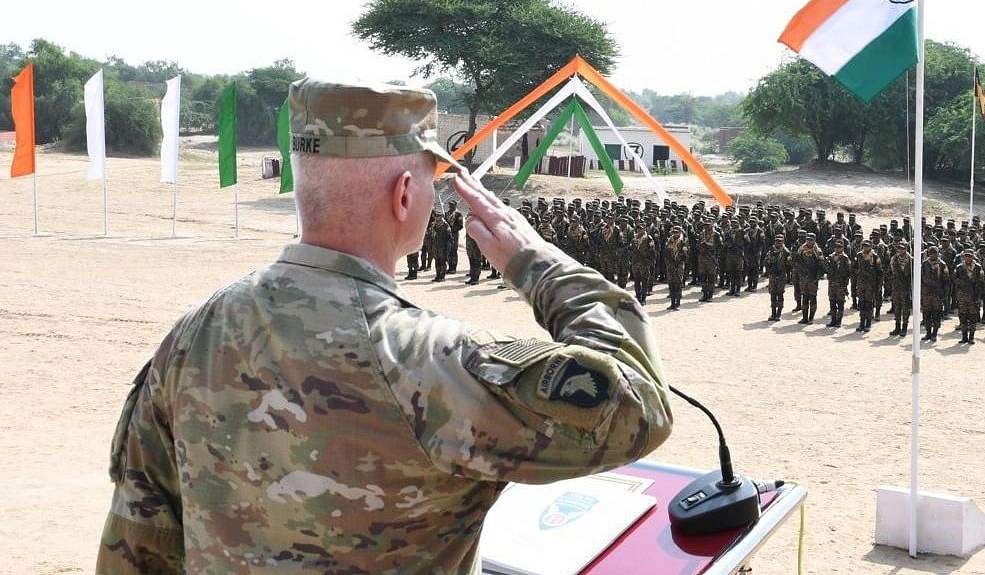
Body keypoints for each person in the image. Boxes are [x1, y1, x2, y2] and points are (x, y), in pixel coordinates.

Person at [95, 79, 673, 575]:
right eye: (430, 183)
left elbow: (139, 534)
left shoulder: (195, 332)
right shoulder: (430, 358)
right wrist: (537, 263)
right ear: (404, 194)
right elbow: (640, 408)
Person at [826, 238, 853, 327]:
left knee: (840, 303)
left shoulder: (845, 258)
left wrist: (845, 285)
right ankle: (833, 320)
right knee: (832, 302)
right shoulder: (831, 257)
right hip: (832, 283)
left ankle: (839, 321)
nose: (837, 249)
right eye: (836, 247)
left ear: (843, 248)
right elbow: (827, 269)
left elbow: (849, 272)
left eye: (840, 247)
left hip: (841, 284)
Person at [764, 235, 791, 322]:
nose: (778, 243)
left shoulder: (786, 252)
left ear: (783, 242)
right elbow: (766, 262)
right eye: (776, 241)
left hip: (781, 276)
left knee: (780, 294)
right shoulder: (771, 250)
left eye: (780, 241)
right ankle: (773, 313)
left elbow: (789, 265)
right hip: (772, 275)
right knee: (772, 294)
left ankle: (779, 313)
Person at [664, 227, 688, 311]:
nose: (675, 234)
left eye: (677, 232)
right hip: (670, 265)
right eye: (673, 232)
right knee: (671, 283)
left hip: (679, 265)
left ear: (680, 232)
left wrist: (679, 264)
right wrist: (669, 263)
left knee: (678, 284)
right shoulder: (669, 241)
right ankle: (672, 303)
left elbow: (685, 256)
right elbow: (666, 253)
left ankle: (678, 303)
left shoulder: (683, 242)